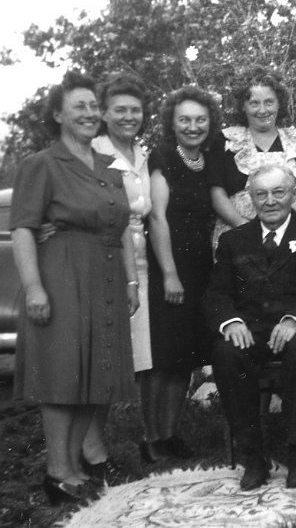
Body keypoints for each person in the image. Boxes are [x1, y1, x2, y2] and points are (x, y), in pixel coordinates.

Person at [10, 71, 139, 504]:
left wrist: (131, 281)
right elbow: (25, 229)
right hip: (61, 276)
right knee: (62, 376)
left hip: (104, 277)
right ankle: (57, 470)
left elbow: (121, 229)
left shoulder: (108, 166)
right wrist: (33, 288)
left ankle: (72, 465)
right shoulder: (41, 164)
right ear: (57, 115)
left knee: (97, 376)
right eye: (78, 106)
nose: (89, 113)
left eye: (92, 106)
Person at [205, 164, 296, 490]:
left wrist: (295, 319)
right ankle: (253, 457)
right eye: (261, 194)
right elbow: (217, 293)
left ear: (293, 194)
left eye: (279, 192)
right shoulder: (234, 240)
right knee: (226, 352)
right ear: (250, 198)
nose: (271, 201)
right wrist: (231, 322)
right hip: (252, 328)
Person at [80, 73, 153, 482]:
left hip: (138, 265)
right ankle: (91, 449)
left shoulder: (140, 152)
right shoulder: (93, 152)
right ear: (104, 113)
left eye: (136, 110)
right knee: (100, 361)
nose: (129, 116)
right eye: (120, 109)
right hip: (107, 261)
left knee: (120, 363)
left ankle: (94, 443)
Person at [142, 86, 218, 462]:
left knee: (184, 358)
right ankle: (151, 438)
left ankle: (170, 435)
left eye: (200, 119)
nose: (192, 126)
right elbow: (156, 216)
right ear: (172, 122)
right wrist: (170, 273)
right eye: (184, 119)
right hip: (169, 264)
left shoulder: (207, 159)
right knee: (162, 357)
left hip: (200, 265)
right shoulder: (162, 157)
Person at [208, 66, 296, 248]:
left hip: (287, 235)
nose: (263, 110)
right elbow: (217, 195)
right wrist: (248, 229)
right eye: (254, 103)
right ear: (243, 106)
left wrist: (278, 229)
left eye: (269, 102)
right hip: (236, 233)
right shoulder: (225, 140)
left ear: (279, 103)